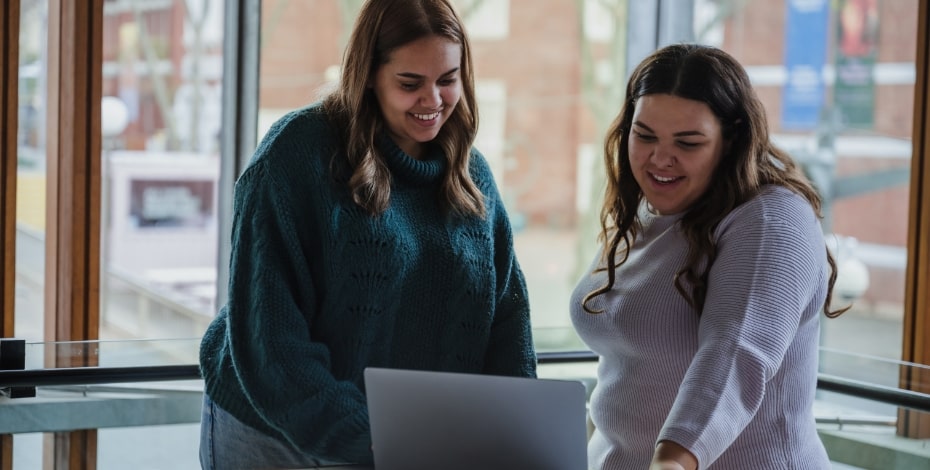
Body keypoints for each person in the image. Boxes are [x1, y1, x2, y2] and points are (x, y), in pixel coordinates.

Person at [198, 0, 536, 468]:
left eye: (447, 80)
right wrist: (374, 441)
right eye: (409, 83)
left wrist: (517, 428)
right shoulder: (297, 155)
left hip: (400, 440)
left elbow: (507, 322)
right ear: (369, 75)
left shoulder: (471, 176)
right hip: (270, 425)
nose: (433, 101)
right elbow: (270, 339)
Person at [570, 44, 848, 470]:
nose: (660, 158)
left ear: (731, 139)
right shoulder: (647, 211)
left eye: (688, 142)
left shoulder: (772, 218)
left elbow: (735, 353)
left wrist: (671, 462)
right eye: (644, 136)